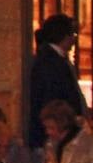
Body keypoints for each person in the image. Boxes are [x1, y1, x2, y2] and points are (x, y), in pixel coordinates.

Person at [29, 14, 89, 148]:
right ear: (64, 36)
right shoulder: (51, 61)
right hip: (56, 130)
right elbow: (53, 97)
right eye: (72, 33)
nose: (74, 38)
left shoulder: (52, 58)